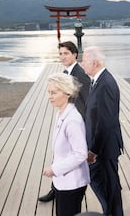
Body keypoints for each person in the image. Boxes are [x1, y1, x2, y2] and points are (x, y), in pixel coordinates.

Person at [39, 41, 91, 203]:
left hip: (75, 122)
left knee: (73, 157)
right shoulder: (65, 72)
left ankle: (62, 190)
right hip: (66, 117)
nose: (62, 57)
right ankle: (55, 189)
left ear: (75, 54)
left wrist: (79, 125)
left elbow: (87, 103)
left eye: (66, 53)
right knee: (61, 155)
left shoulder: (80, 75)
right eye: (60, 54)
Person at [81, 46, 124, 216]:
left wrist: (93, 150)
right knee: (108, 185)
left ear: (95, 62)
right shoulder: (98, 80)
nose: (82, 64)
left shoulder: (105, 83)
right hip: (102, 145)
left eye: (84, 60)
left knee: (106, 185)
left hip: (104, 148)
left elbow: (105, 122)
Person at [42, 73, 90, 216]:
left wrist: (55, 169)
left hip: (72, 183)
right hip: (62, 182)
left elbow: (81, 154)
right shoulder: (60, 114)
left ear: (68, 93)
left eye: (54, 93)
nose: (50, 96)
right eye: (49, 92)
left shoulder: (73, 120)